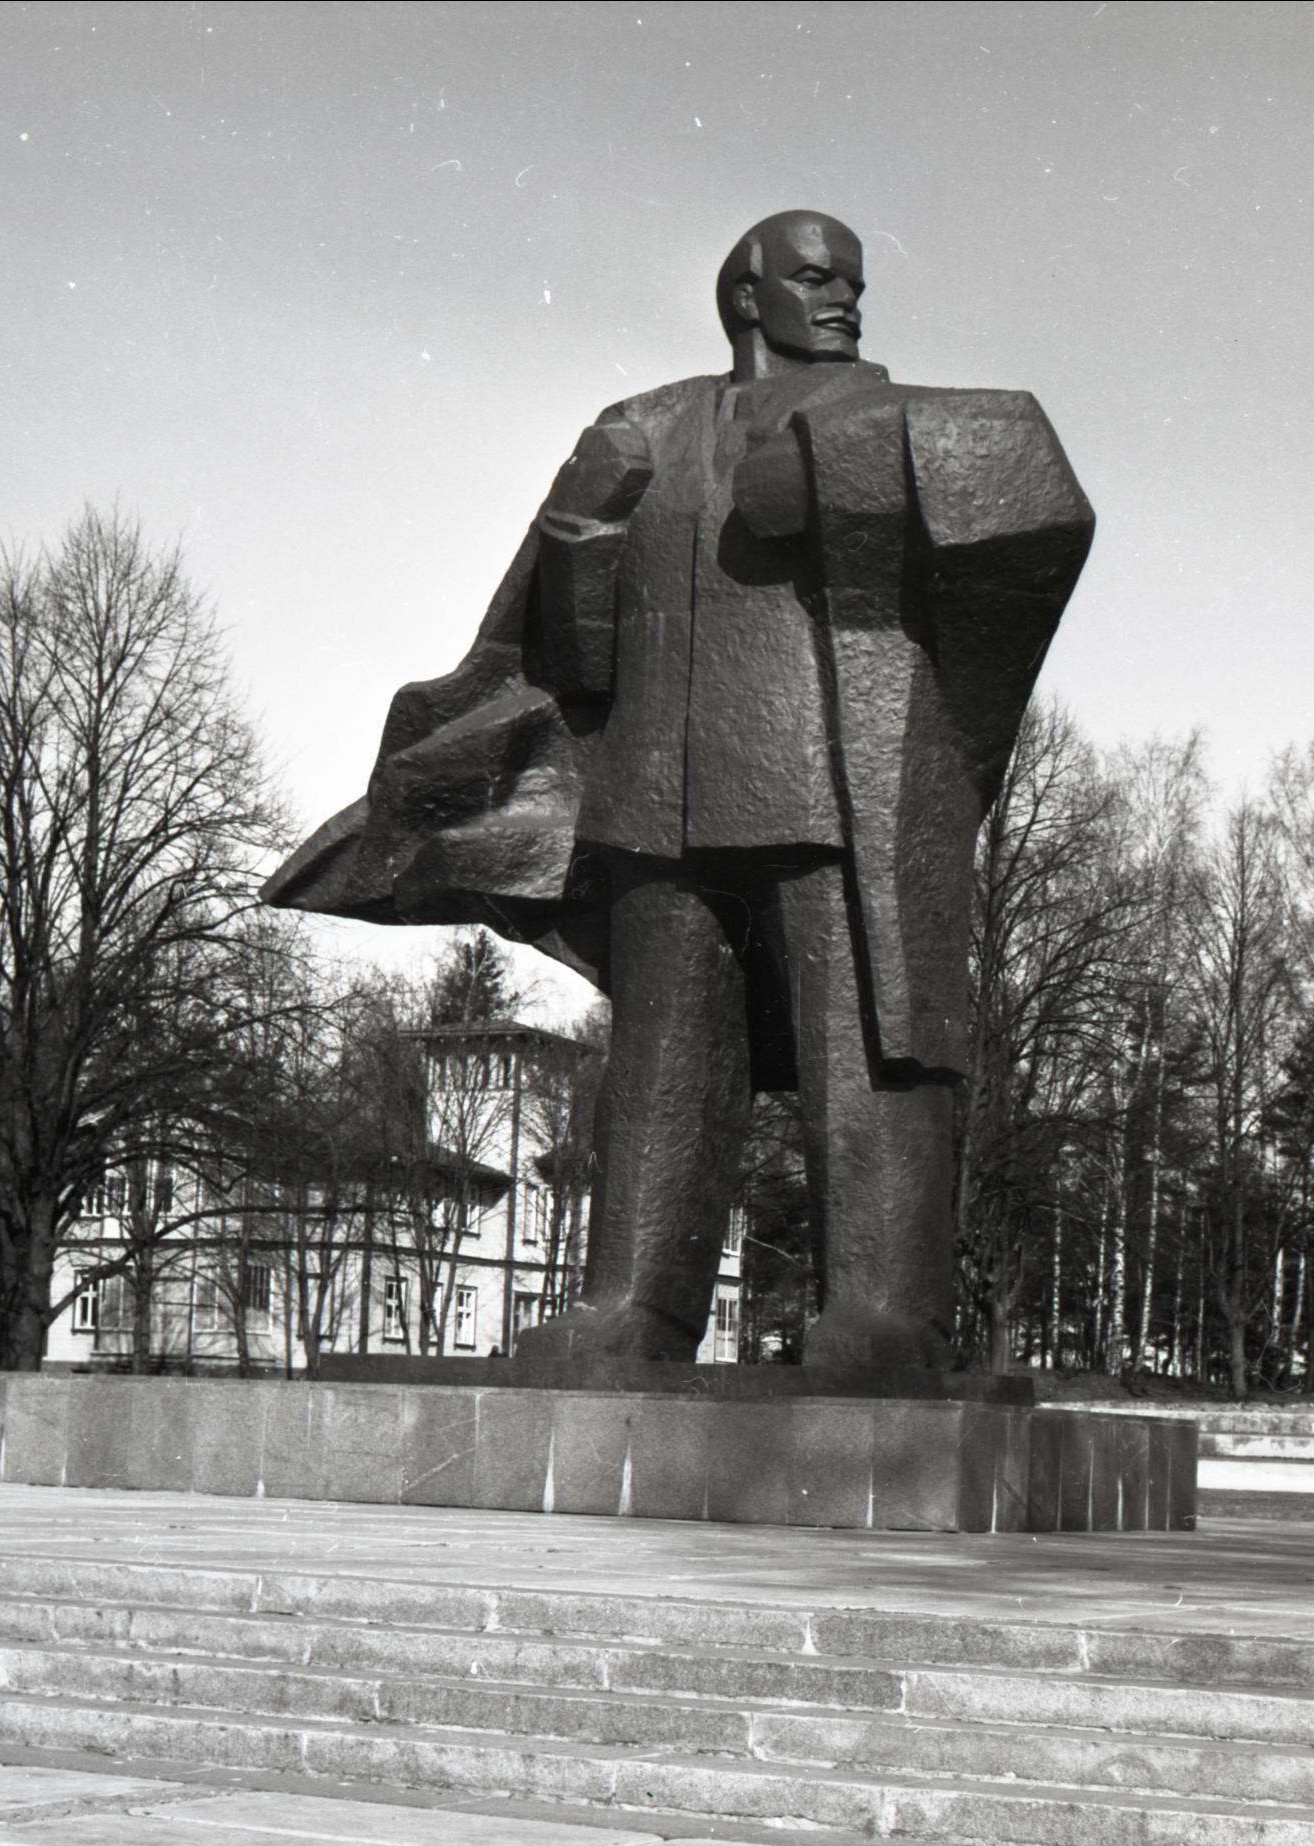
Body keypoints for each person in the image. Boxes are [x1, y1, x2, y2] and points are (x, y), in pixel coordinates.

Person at [269, 211, 1092, 1371]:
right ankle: (635, 1305)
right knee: (663, 1055)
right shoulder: (649, 425)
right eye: (818, 278)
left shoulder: (882, 413)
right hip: (657, 795)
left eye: (852, 283)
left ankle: (883, 1312)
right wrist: (580, 530)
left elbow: (1037, 488)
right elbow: (574, 659)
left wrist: (843, 473)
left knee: (862, 1046)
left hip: (827, 792)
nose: (846, 299)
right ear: (747, 296)